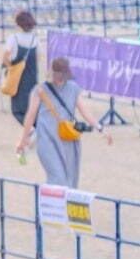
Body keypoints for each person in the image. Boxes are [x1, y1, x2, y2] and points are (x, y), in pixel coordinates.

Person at [18, 57, 110, 188]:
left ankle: (62, 208)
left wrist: (100, 128)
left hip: (68, 141)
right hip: (47, 140)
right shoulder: (40, 90)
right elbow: (30, 116)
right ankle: (46, 205)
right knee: (58, 179)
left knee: (71, 181)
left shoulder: (73, 88)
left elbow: (85, 111)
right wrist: (23, 140)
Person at [0, 10, 41, 126]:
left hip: (18, 77)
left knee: (17, 110)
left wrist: (10, 67)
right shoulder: (35, 39)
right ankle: (33, 129)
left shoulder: (14, 38)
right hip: (31, 76)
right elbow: (38, 58)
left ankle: (30, 131)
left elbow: (5, 56)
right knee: (32, 107)